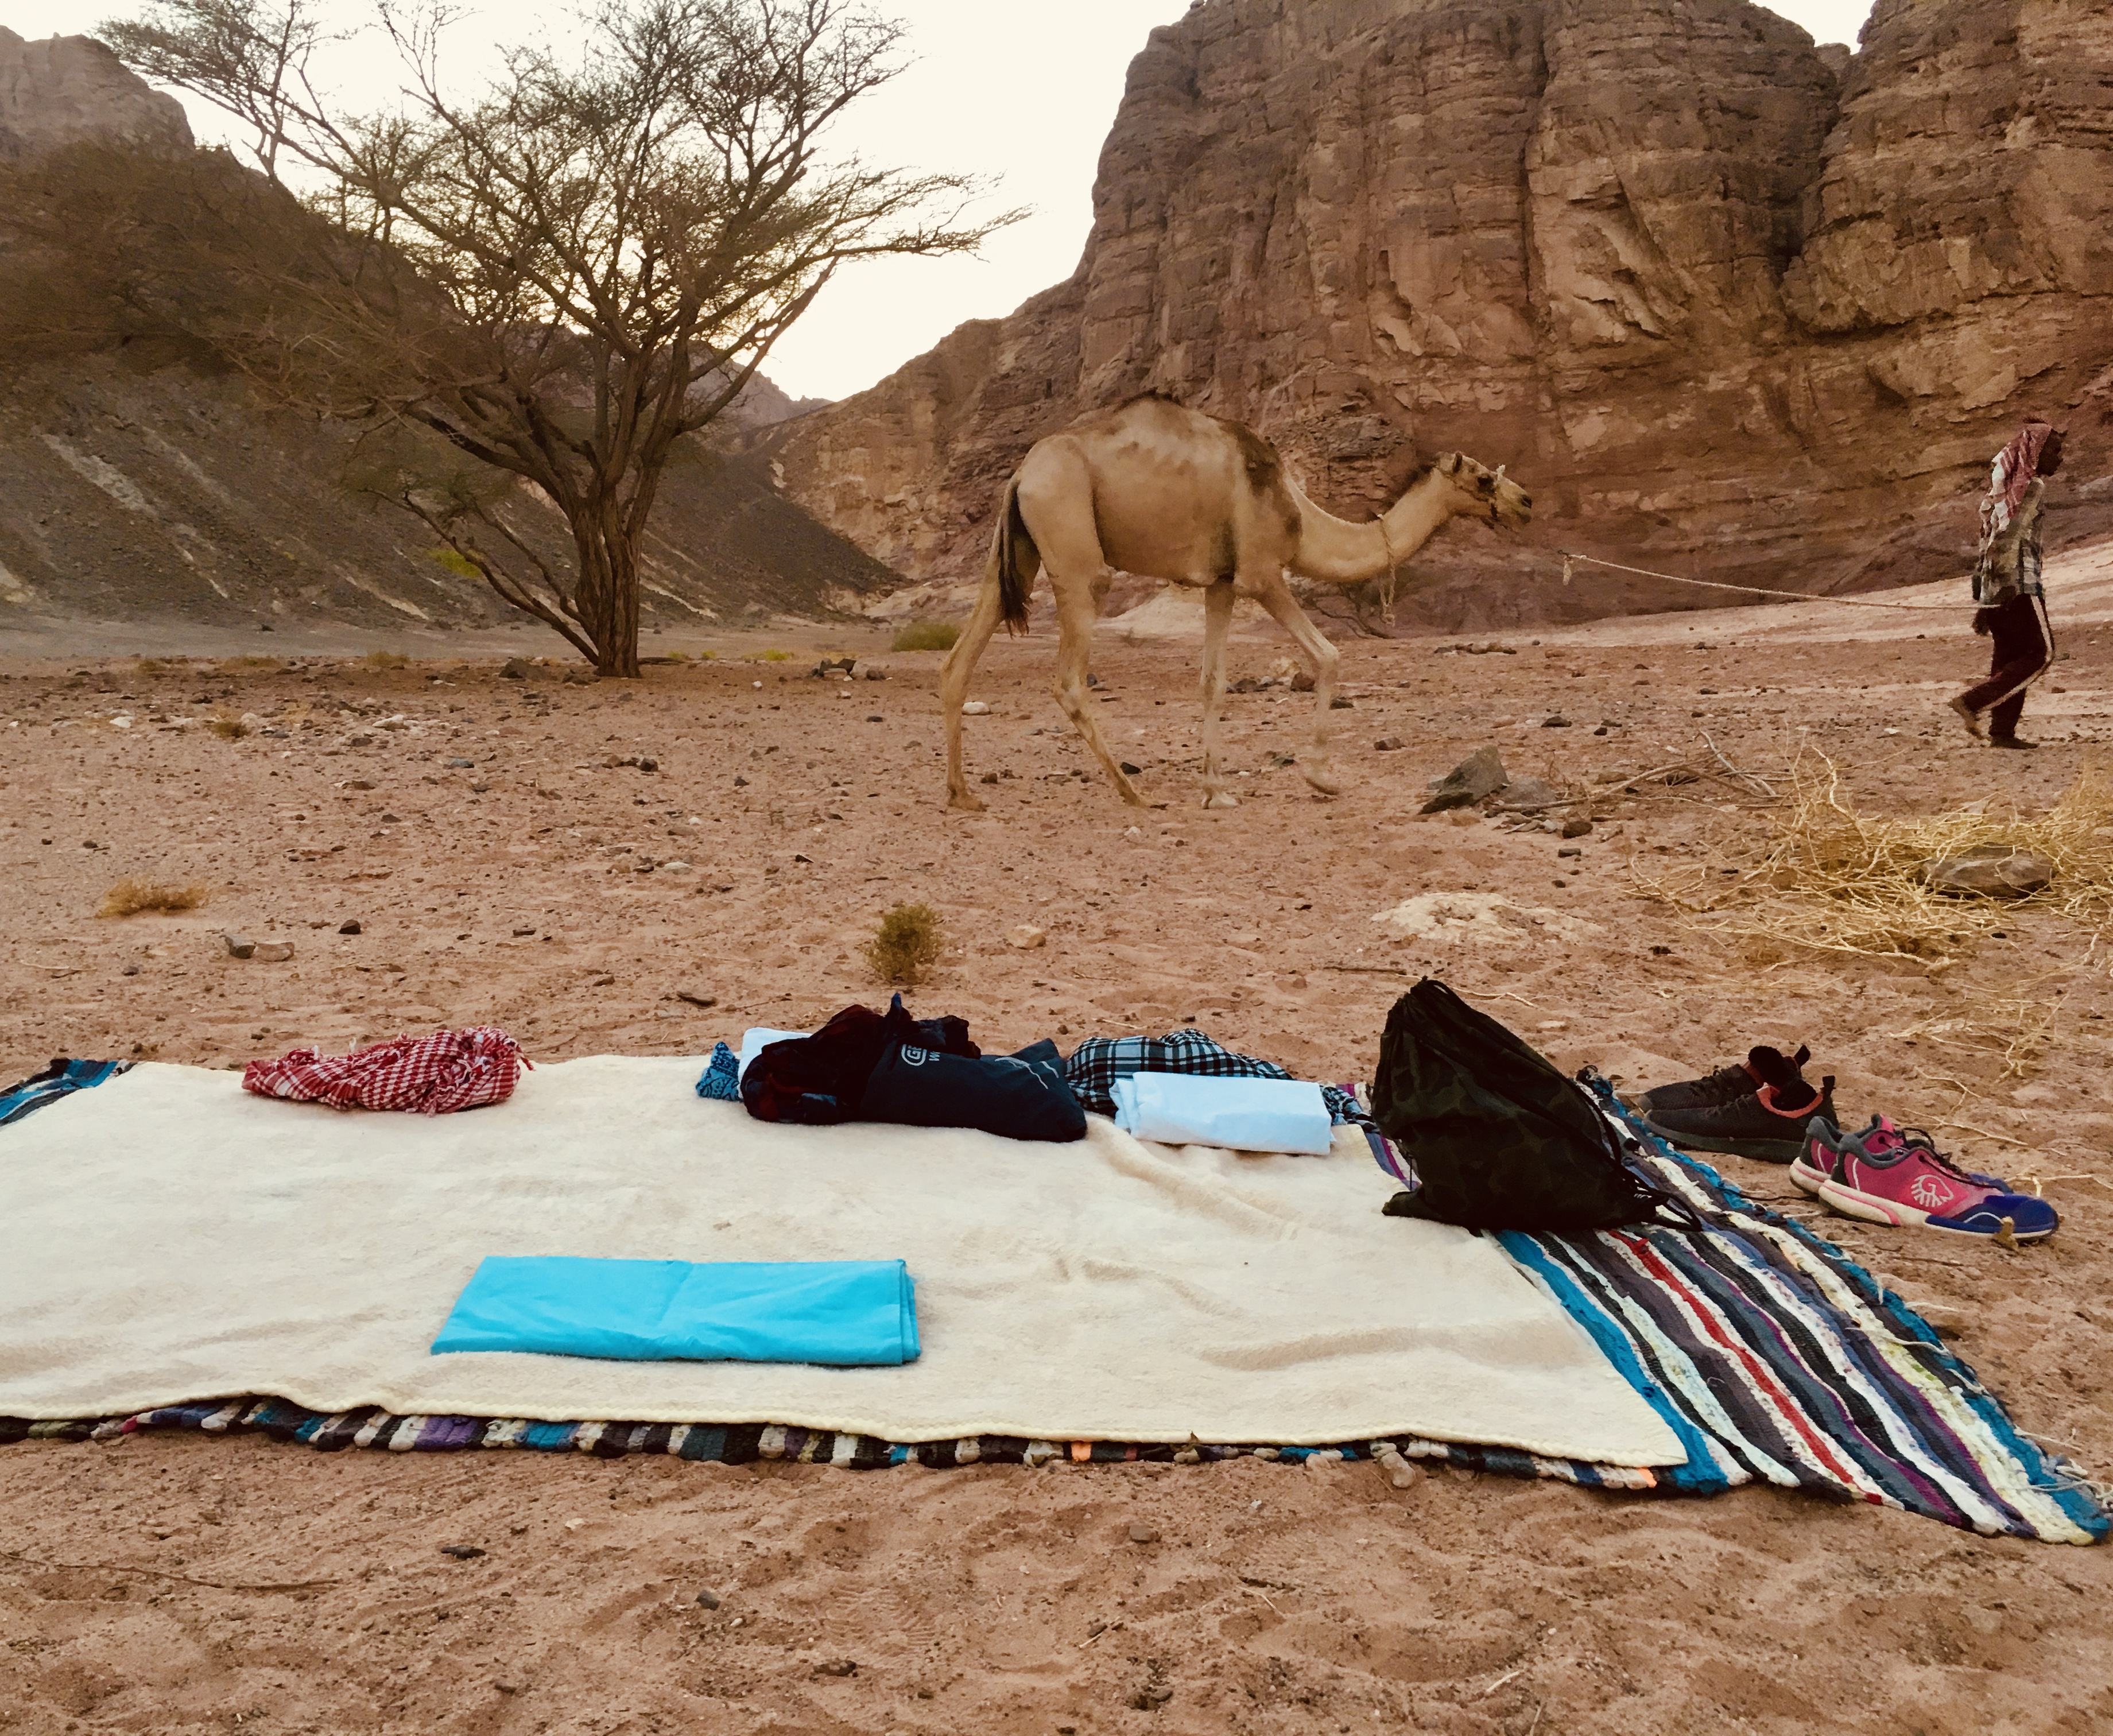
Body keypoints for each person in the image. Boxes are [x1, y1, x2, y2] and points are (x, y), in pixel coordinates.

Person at [1951, 418, 2064, 749]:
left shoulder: (2000, 496)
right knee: (2042, 654)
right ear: (2036, 453)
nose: (2059, 459)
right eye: (2054, 451)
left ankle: (2002, 732)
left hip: (1995, 587)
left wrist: (1984, 599)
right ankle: (1972, 702)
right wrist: (2007, 588)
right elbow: (2009, 539)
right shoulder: (2032, 487)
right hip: (2019, 584)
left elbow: (1988, 544)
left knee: (2010, 655)